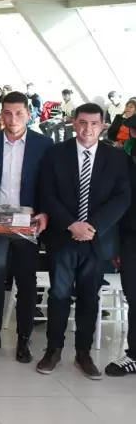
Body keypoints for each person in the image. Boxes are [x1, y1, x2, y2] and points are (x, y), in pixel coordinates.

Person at [36, 103, 130, 379]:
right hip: (63, 237)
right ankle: (53, 350)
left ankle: (83, 353)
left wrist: (92, 226)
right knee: (59, 295)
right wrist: (71, 224)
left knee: (90, 297)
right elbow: (46, 193)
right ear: (74, 123)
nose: (88, 128)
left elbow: (122, 197)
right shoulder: (56, 154)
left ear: (103, 126)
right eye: (83, 122)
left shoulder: (116, 158)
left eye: (94, 123)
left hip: (96, 239)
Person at [0, 92, 52, 363]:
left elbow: (49, 183)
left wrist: (44, 212)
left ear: (28, 114)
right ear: (1, 114)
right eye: (7, 113)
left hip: (27, 224)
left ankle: (24, 338)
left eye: (19, 113)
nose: (13, 118)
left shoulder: (44, 144)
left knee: (26, 280)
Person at [107, 114, 136, 376]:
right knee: (134, 296)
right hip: (129, 238)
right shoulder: (122, 163)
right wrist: (115, 245)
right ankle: (134, 355)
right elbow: (116, 205)